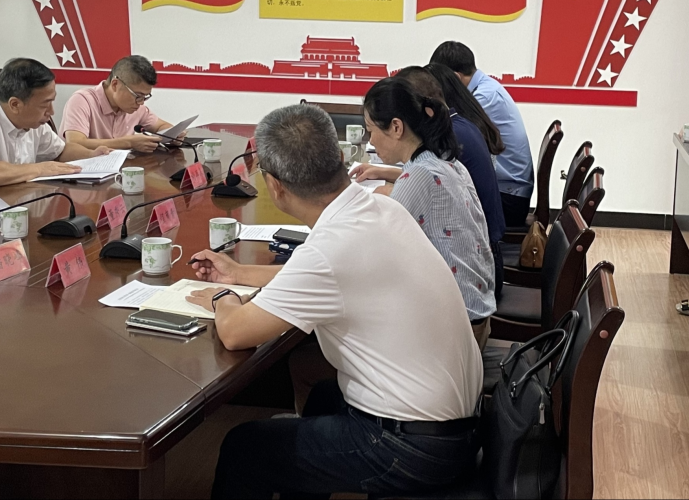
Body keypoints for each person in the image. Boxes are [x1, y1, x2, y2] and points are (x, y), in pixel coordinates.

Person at [184, 104, 482, 498]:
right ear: (339, 158)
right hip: (459, 427)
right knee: (324, 398)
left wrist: (222, 297)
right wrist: (238, 275)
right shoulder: (381, 208)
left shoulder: (330, 249)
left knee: (245, 449)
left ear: (274, 185)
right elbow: (332, 278)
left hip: (414, 449)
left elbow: (236, 332)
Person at [352, 77, 496, 348]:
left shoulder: (418, 176)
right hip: (476, 313)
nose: (371, 140)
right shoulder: (444, 161)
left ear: (396, 127)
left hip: (456, 331)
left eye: (371, 130)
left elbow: (377, 248)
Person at [398, 65, 505, 299]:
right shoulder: (460, 127)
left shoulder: (448, 142)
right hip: (486, 267)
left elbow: (391, 231)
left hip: (475, 285)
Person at [0, 58, 110, 189]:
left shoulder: (33, 122)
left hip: (6, 203)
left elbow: (60, 152)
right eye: (45, 104)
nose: (51, 112)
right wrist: (39, 169)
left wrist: (92, 155)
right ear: (15, 105)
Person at [430, 41, 534, 227]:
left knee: (431, 203)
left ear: (454, 77)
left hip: (508, 199)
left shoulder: (483, 98)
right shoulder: (485, 88)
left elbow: (448, 139)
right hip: (507, 190)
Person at [59, 55, 178, 153]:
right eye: (138, 96)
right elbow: (75, 143)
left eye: (145, 97)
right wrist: (129, 142)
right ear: (115, 84)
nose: (141, 103)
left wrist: (173, 135)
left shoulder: (137, 107)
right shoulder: (82, 100)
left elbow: (161, 126)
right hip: (81, 171)